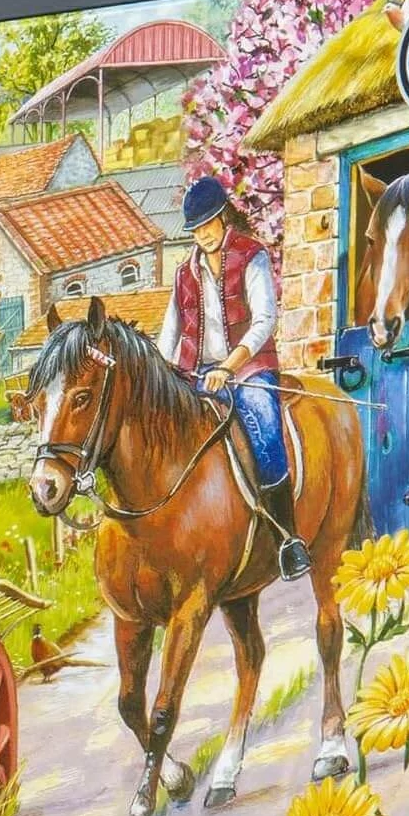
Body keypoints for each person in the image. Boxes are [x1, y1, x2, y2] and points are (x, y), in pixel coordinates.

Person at [157, 176, 312, 581]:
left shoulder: (251, 255)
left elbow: (265, 320)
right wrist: (161, 373)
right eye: (196, 229)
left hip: (247, 369)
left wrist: (228, 366)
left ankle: (287, 537)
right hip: (196, 373)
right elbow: (169, 334)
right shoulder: (183, 273)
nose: (203, 235)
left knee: (265, 429)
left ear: (223, 216)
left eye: (208, 224)